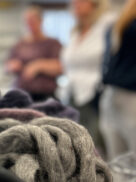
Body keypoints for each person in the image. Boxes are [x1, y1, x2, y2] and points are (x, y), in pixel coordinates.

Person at [61, 0, 113, 153]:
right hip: (72, 93)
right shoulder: (75, 31)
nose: (76, 3)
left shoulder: (107, 24)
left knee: (94, 145)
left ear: (95, 4)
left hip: (96, 94)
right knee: (73, 143)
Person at [100, 0, 136, 160]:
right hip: (122, 94)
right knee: (118, 158)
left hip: (117, 93)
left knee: (118, 158)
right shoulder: (123, 22)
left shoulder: (121, 22)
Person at [6, 6, 63, 102]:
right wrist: (12, 66)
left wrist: (39, 65)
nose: (29, 24)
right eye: (27, 21)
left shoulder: (53, 44)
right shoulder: (19, 45)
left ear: (40, 21)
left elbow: (61, 67)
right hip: (21, 94)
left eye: (32, 20)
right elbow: (7, 66)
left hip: (45, 96)